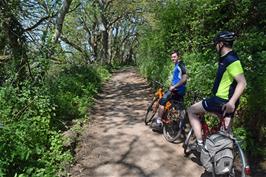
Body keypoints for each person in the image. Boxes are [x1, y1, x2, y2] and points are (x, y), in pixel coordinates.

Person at [187, 31, 247, 152]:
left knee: (191, 110)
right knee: (226, 133)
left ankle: (199, 144)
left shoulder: (231, 59)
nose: (215, 46)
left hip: (222, 101)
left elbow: (242, 82)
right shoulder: (226, 58)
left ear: (221, 44)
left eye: (216, 44)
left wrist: (231, 102)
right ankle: (226, 162)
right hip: (227, 102)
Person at [151, 50, 187, 131]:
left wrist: (174, 86)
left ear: (178, 57)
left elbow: (184, 79)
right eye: (172, 57)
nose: (173, 58)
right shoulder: (177, 65)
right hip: (179, 90)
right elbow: (177, 78)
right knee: (179, 107)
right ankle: (181, 125)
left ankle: (159, 121)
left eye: (174, 56)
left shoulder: (181, 65)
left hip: (176, 90)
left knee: (162, 102)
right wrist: (172, 84)